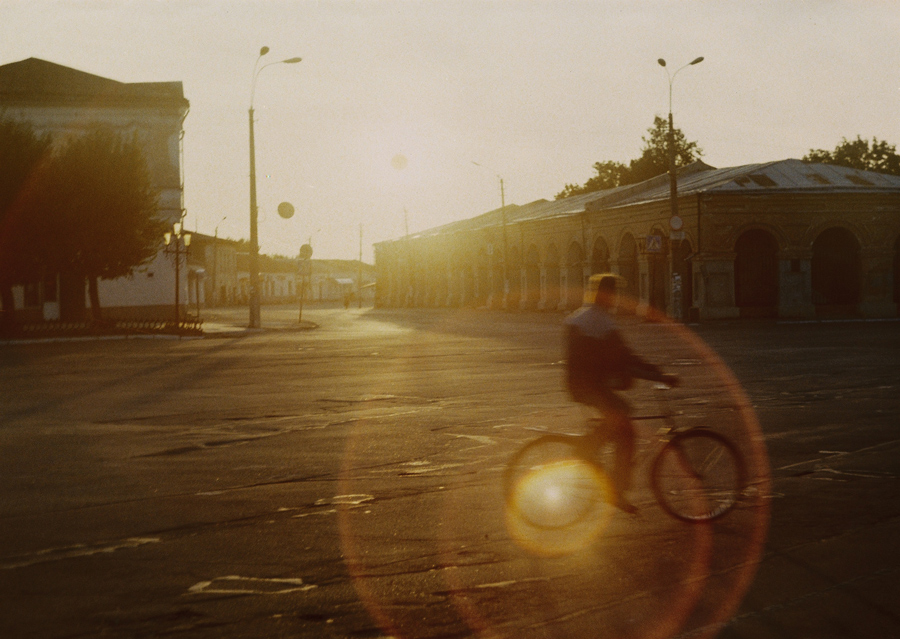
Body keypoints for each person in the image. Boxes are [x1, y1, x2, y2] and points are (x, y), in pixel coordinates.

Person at [563, 273, 678, 513]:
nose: (616, 299)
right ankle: (612, 483)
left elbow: (614, 357)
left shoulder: (581, 316)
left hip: (581, 384)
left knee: (619, 420)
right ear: (606, 295)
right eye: (614, 293)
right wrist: (659, 375)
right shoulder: (600, 321)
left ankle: (594, 451)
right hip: (589, 386)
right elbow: (625, 356)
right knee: (625, 425)